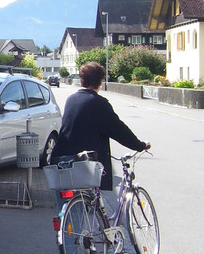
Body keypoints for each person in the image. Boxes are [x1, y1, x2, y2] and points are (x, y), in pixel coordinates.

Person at [51, 61, 150, 194]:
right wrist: (140, 145)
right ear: (100, 82)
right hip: (85, 165)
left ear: (82, 80)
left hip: (63, 162)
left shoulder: (71, 99)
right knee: (93, 200)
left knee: (68, 200)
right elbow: (119, 130)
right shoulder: (99, 103)